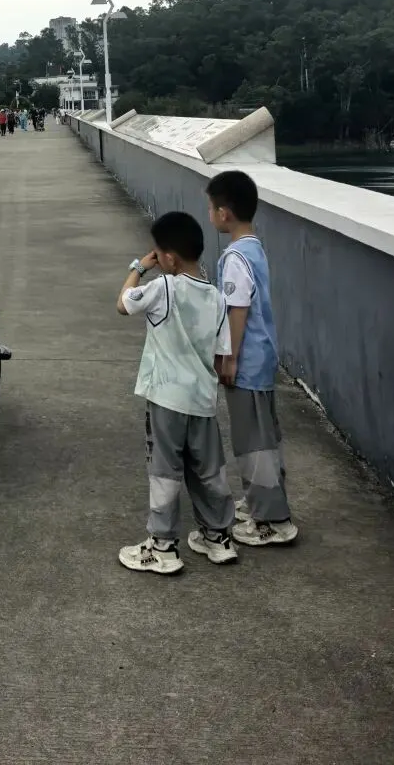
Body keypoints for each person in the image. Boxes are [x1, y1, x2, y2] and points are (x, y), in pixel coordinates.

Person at [116, 211, 236, 574]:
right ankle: (218, 537)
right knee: (208, 470)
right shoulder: (216, 297)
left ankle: (163, 546)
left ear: (168, 258)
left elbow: (123, 303)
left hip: (167, 399)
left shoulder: (164, 287)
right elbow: (221, 354)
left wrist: (140, 267)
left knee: (165, 471)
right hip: (202, 400)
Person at [207, 171, 298, 546]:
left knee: (254, 443)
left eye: (211, 208)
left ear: (224, 213)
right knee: (262, 437)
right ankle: (261, 502)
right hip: (260, 357)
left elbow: (237, 310)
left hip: (247, 362)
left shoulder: (234, 257)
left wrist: (228, 358)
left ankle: (272, 520)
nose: (210, 214)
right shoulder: (253, 248)